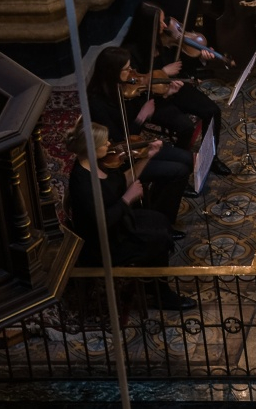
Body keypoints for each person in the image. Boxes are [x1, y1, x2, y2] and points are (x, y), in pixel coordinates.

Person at [65, 122, 194, 310]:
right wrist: (127, 199)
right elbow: (102, 222)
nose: (109, 144)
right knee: (159, 239)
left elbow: (122, 181)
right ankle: (161, 294)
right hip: (105, 243)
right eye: (103, 143)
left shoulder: (99, 164)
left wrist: (148, 157)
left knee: (159, 219)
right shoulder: (83, 184)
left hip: (119, 223)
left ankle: (152, 277)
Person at [86, 47, 195, 224]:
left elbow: (143, 102)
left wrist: (166, 94)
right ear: (113, 72)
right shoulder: (97, 104)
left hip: (139, 146)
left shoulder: (125, 88)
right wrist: (141, 117)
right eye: (126, 69)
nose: (132, 72)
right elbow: (121, 139)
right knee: (179, 170)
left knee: (187, 158)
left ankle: (158, 203)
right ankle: (163, 220)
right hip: (121, 158)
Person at [117, 14, 230, 173]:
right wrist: (163, 72)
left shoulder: (165, 39)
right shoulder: (132, 51)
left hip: (174, 86)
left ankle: (211, 158)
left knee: (212, 111)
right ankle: (183, 165)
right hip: (151, 98)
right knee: (186, 127)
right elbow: (133, 85)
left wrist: (201, 58)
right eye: (161, 22)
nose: (165, 25)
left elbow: (184, 67)